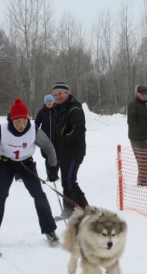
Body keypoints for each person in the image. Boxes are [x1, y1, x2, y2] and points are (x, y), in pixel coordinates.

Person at [0, 98, 60, 245]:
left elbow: (48, 147)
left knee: (39, 194)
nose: (21, 126)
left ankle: (50, 230)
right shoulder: (1, 130)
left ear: (27, 118)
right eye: (17, 122)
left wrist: (53, 166)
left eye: (24, 121)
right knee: (1, 195)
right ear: (11, 120)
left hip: (27, 165)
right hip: (6, 164)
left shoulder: (34, 130)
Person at [50, 82, 89, 220]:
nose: (58, 97)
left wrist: (64, 141)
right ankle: (85, 208)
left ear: (67, 93)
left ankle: (69, 211)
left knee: (69, 181)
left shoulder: (74, 108)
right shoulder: (59, 109)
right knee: (69, 181)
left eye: (60, 93)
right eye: (55, 95)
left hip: (73, 151)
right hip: (63, 152)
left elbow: (78, 129)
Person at [127, 85, 147, 186]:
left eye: (145, 93)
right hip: (136, 137)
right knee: (142, 159)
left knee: (145, 158)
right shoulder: (133, 104)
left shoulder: (143, 105)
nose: (144, 95)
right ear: (137, 94)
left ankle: (142, 179)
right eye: (142, 93)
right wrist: (140, 131)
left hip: (143, 137)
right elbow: (131, 121)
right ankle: (142, 180)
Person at [34, 94, 56, 178]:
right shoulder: (41, 113)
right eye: (47, 101)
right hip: (44, 139)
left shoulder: (57, 112)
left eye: (51, 101)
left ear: (53, 102)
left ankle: (54, 174)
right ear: (45, 103)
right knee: (47, 157)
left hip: (56, 138)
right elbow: (36, 125)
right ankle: (49, 174)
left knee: (55, 157)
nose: (49, 103)